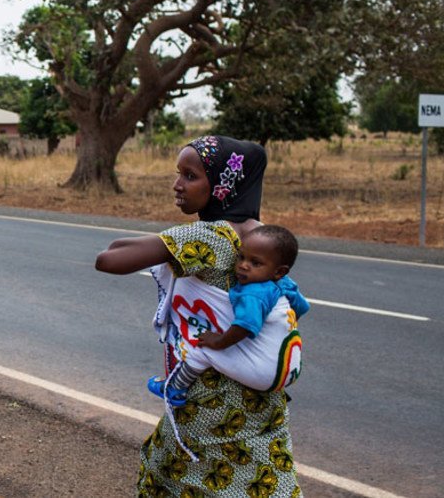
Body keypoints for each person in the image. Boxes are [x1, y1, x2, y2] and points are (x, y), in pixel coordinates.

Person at [96, 135, 303, 494]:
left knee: (191, 480)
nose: (177, 185)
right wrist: (172, 240)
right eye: (178, 174)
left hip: (211, 406)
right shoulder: (262, 237)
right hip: (256, 406)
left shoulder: (210, 237)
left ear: (223, 186)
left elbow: (108, 259)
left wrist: (175, 238)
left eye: (190, 176)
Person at [147, 224, 310, 407]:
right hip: (289, 369)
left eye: (255, 263)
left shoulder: (253, 294)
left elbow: (245, 325)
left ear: (279, 271)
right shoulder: (287, 285)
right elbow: (302, 307)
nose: (243, 266)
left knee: (200, 345)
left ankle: (175, 388)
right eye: (241, 257)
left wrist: (218, 341)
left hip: (265, 374)